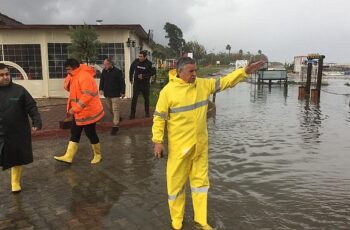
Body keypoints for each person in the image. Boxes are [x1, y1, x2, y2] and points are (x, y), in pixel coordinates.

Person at [152, 57, 265, 230]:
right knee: (176, 186)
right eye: (191, 71)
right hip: (179, 149)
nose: (195, 74)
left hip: (200, 147)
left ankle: (201, 220)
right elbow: (159, 118)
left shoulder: (202, 85)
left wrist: (244, 72)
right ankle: (177, 219)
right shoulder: (167, 92)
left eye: (195, 70)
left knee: (200, 186)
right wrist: (158, 141)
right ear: (179, 71)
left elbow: (224, 82)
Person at [0, 63, 42, 192]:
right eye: (1, 75)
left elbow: (31, 106)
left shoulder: (19, 90)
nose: (5, 77)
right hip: (1, 132)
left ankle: (15, 182)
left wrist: (36, 121)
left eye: (7, 74)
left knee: (16, 157)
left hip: (17, 131)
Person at [54, 58, 104, 164]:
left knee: (91, 133)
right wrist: (70, 75)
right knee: (75, 132)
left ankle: (98, 155)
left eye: (68, 69)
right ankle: (68, 156)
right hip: (79, 112)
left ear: (75, 68)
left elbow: (87, 95)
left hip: (89, 112)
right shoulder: (74, 75)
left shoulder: (84, 77)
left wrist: (75, 108)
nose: (67, 72)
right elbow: (67, 88)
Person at [99, 58, 125, 135]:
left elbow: (122, 82)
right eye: (104, 64)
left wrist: (123, 92)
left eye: (106, 64)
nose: (104, 66)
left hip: (115, 94)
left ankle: (115, 126)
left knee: (115, 109)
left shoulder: (117, 71)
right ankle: (118, 117)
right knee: (110, 109)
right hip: (107, 94)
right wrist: (101, 89)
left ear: (110, 64)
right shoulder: (104, 71)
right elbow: (102, 81)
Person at [129, 50, 155, 119]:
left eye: (141, 56)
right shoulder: (136, 61)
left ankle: (147, 112)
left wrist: (144, 76)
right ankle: (132, 114)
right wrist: (130, 78)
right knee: (134, 99)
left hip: (145, 84)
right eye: (139, 56)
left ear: (145, 57)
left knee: (146, 99)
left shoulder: (149, 63)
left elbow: (153, 72)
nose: (139, 58)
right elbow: (131, 69)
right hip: (137, 84)